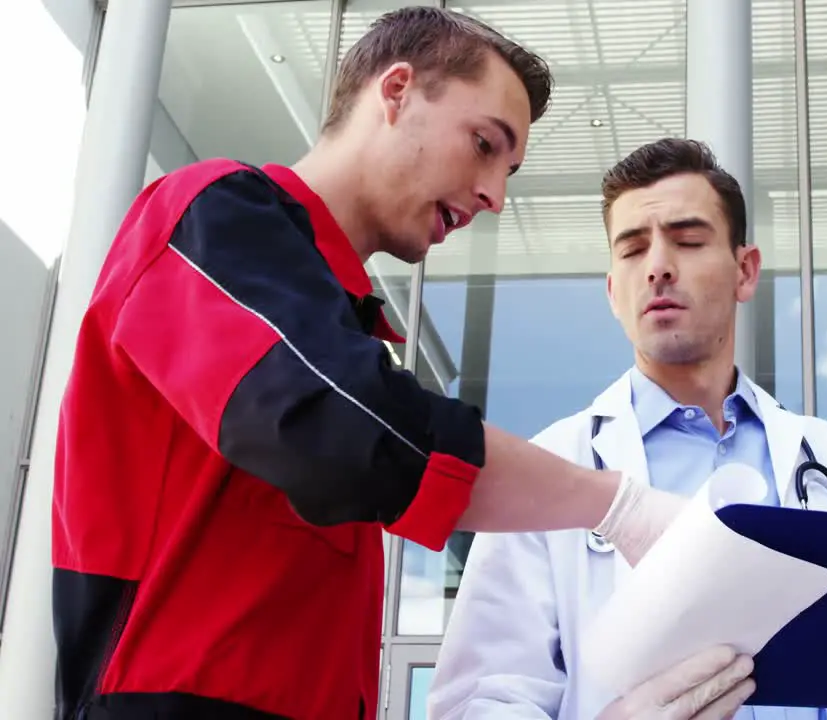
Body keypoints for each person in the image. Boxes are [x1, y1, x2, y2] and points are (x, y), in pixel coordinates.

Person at [51, 9, 686, 720]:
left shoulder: (340, 329)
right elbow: (349, 431)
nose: (495, 198)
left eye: (507, 171)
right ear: (397, 92)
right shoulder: (208, 215)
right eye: (483, 145)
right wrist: (617, 505)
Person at [428, 138, 827, 720]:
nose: (659, 267)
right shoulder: (554, 468)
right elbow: (480, 698)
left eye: (688, 240)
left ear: (746, 271)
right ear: (613, 291)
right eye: (633, 248)